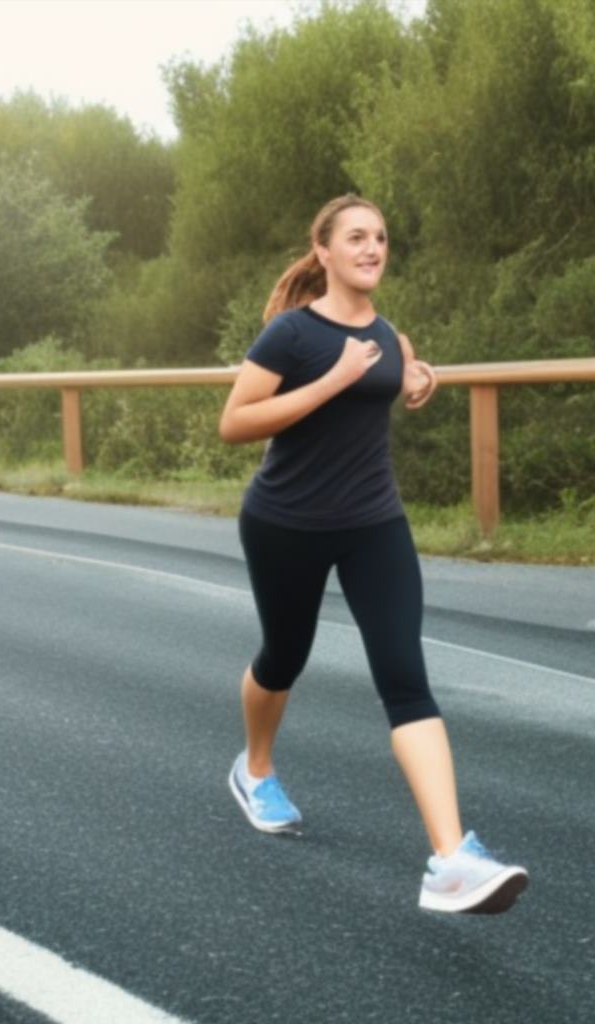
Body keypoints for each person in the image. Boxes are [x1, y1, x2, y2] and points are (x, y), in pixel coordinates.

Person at [218, 194, 529, 914]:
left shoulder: (389, 335)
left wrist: (421, 378)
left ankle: (451, 858)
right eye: (356, 237)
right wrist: (333, 381)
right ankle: (254, 769)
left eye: (381, 237)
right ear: (322, 251)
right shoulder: (290, 336)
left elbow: (401, 372)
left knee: (404, 676)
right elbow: (234, 423)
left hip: (373, 524)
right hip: (285, 523)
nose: (372, 247)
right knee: (284, 656)